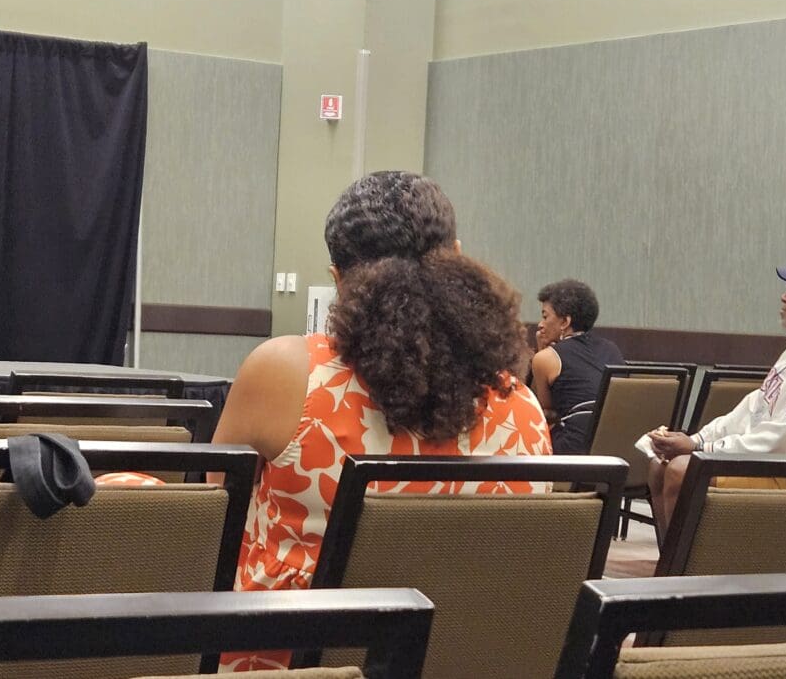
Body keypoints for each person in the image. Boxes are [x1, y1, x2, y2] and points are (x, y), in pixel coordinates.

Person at [211, 171, 552, 672]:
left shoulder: (285, 373)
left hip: (292, 659)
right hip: (459, 659)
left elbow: (219, 510)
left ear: (338, 279)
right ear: (457, 255)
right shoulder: (522, 406)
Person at [638, 257, 786, 535]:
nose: (784, 296)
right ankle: (673, 566)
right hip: (776, 461)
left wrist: (699, 451)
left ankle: (688, 570)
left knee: (683, 470)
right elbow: (755, 407)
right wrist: (698, 439)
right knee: (661, 464)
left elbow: (780, 440)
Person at [531, 279, 624, 454]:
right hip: (618, 445)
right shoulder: (612, 348)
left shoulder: (545, 358)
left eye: (545, 316)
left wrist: (541, 351)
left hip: (576, 448)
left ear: (565, 322)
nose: (540, 324)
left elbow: (544, 407)